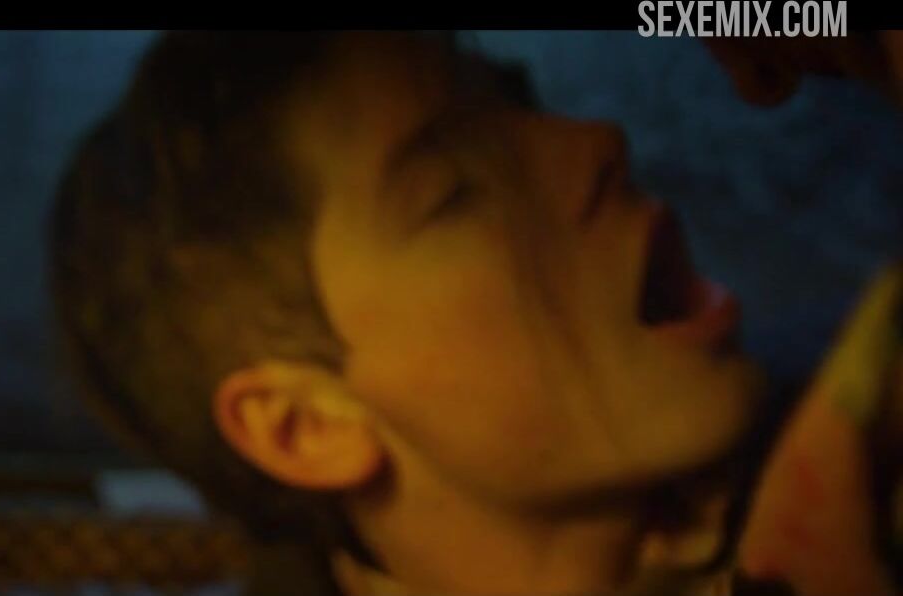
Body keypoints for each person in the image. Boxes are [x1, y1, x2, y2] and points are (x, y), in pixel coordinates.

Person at [49, 31, 898, 595]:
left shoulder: (864, 431)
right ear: (306, 425)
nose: (597, 140)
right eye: (452, 192)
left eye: (519, 107)